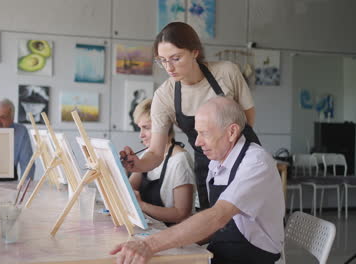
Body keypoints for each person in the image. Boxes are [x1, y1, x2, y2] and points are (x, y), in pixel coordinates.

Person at [111, 97, 285, 264]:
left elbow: (217, 216)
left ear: (232, 132)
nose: (197, 142)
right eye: (196, 133)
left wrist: (149, 244)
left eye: (204, 133)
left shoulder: (255, 163)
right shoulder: (217, 161)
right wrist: (172, 242)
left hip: (253, 258)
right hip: (222, 251)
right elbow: (214, 226)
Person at [120, 22, 260, 210]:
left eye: (175, 58)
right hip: (207, 166)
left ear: (195, 52)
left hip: (244, 160)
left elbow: (248, 121)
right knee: (214, 228)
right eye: (162, 60)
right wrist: (136, 164)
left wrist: (229, 150)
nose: (168, 67)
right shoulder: (164, 96)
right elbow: (155, 153)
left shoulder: (227, 72)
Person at [129, 98, 195, 226]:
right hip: (151, 228)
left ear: (163, 127)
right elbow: (130, 187)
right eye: (140, 128)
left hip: (174, 235)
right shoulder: (146, 154)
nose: (140, 135)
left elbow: (182, 214)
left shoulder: (180, 160)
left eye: (146, 128)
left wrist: (141, 205)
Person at [0, 97, 35, 181]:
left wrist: (24, 189)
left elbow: (27, 165)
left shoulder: (21, 132)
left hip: (9, 181)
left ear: (12, 119)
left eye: (3, 117)